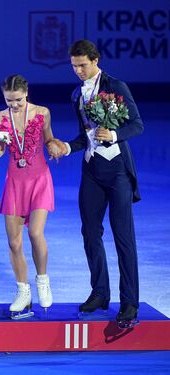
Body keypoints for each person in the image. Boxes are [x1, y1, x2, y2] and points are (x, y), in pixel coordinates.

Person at [50, 40, 143, 328]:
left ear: (96, 60)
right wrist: (66, 146)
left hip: (117, 172)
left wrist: (114, 135)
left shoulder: (116, 86)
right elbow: (85, 136)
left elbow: (137, 124)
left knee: (123, 238)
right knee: (90, 232)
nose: (78, 71)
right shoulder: (77, 94)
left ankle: (129, 303)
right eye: (74, 66)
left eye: (83, 65)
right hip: (91, 170)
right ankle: (100, 292)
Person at [0, 75, 58, 319]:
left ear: (27, 93)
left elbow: (49, 138)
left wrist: (54, 145)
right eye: (9, 101)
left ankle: (42, 280)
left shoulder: (42, 113)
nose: (14, 105)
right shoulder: (0, 119)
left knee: (34, 232)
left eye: (18, 100)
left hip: (39, 179)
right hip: (15, 182)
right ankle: (23, 290)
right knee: (14, 242)